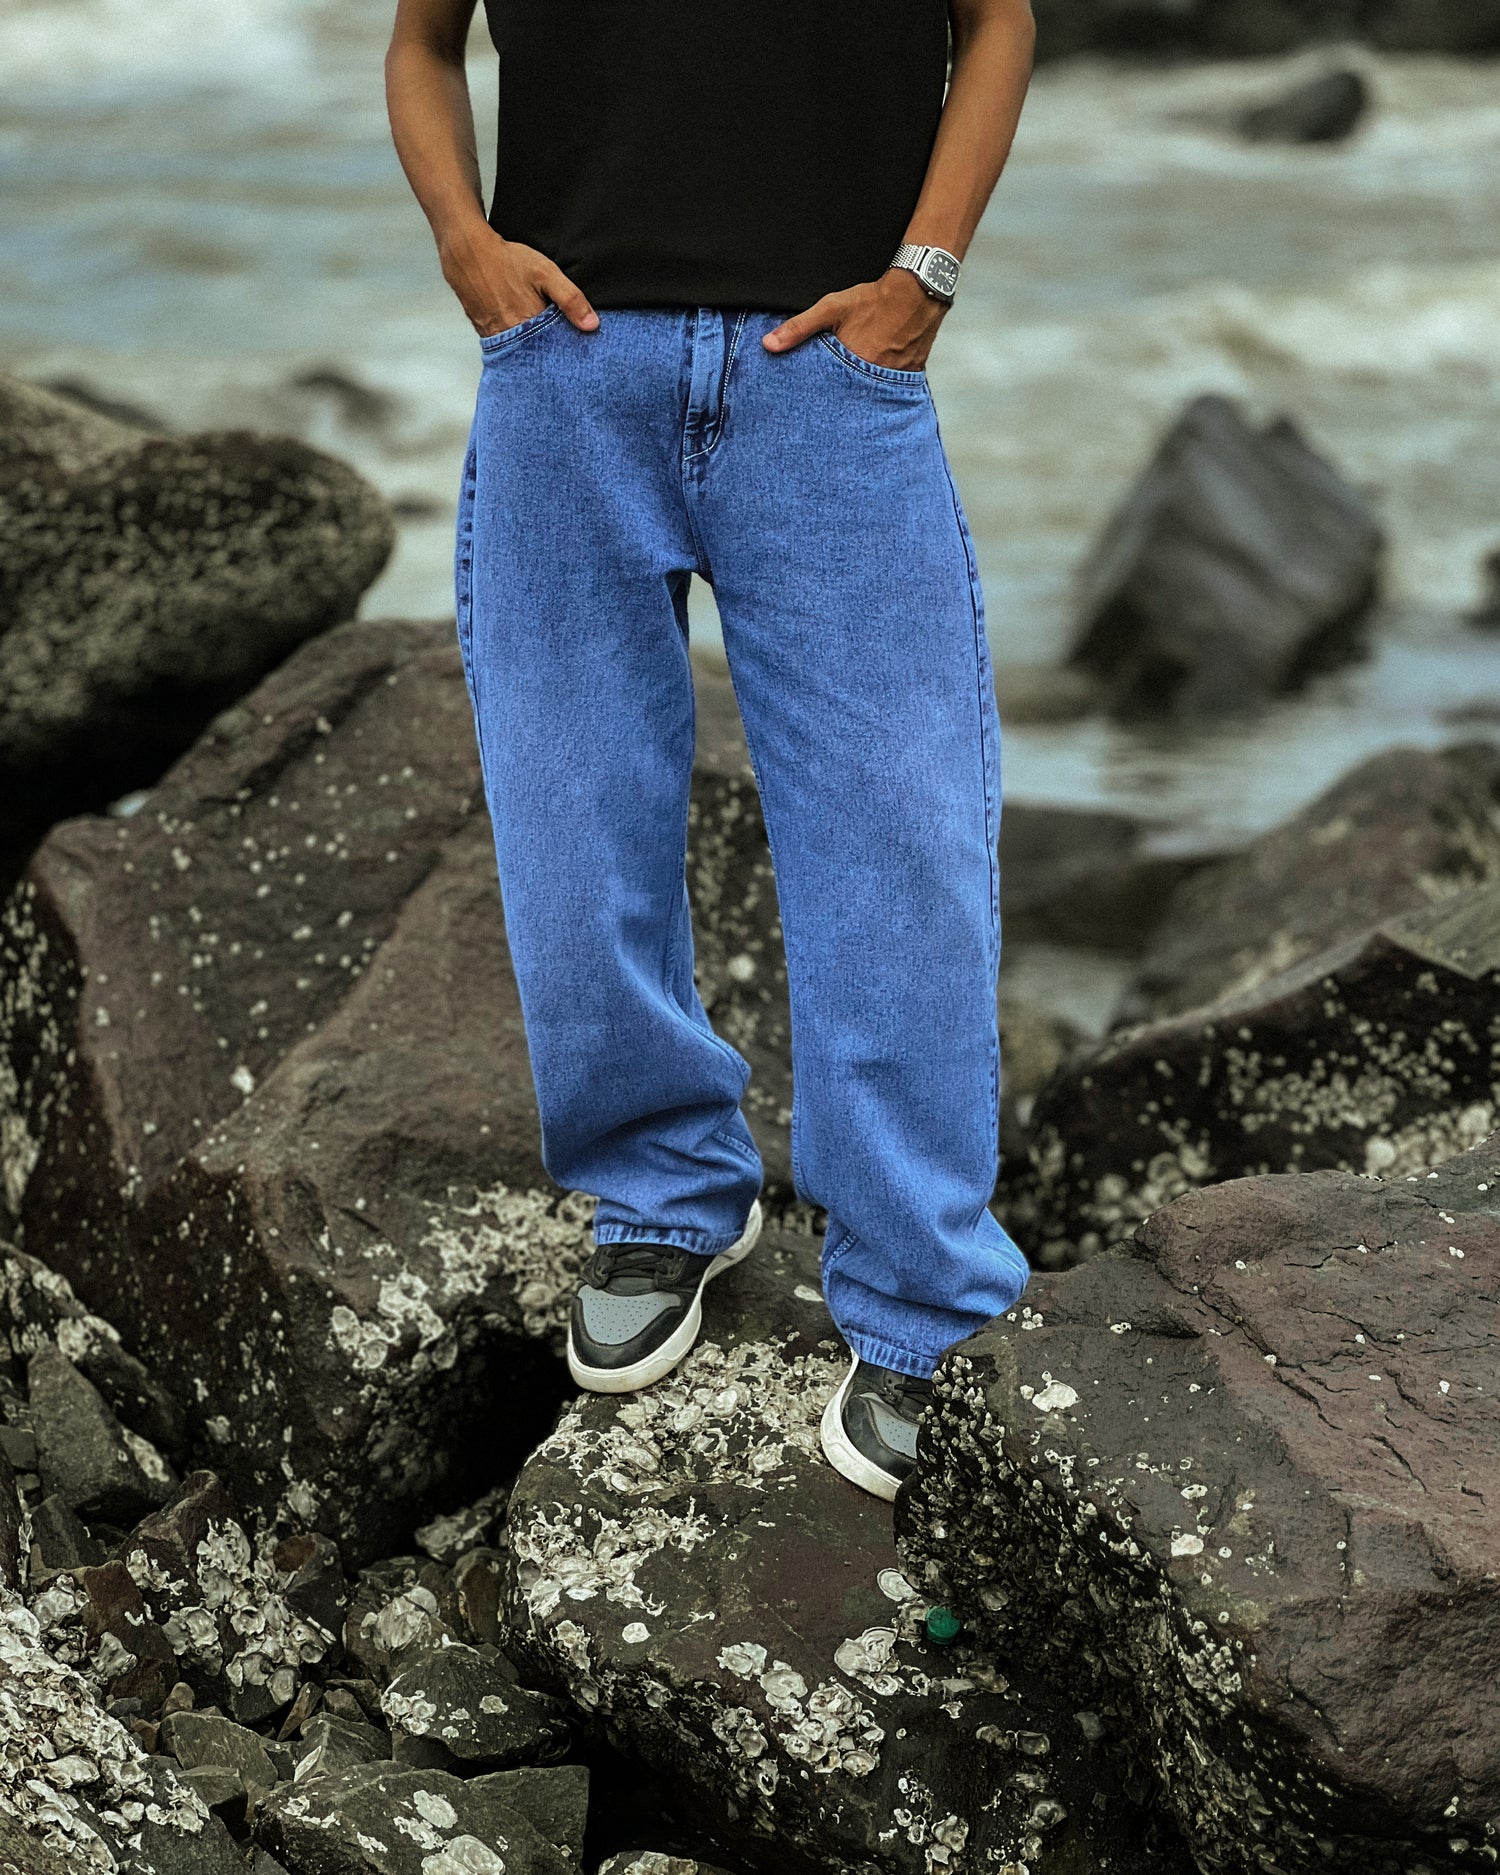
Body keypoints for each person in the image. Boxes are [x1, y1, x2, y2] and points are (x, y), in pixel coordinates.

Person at [386, 0, 1036, 1501]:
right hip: (566, 372)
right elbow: (421, 44)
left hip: (834, 378)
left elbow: (997, 20)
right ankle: (662, 1189)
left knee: (903, 838)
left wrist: (925, 278)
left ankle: (924, 1294)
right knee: (572, 823)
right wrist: (466, 245)